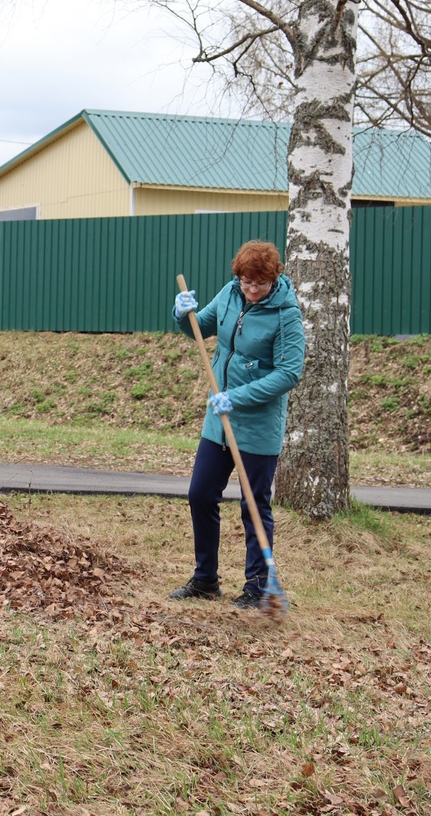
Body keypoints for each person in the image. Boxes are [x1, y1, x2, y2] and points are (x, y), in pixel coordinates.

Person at [168, 240, 305, 609]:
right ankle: (205, 580)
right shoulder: (230, 294)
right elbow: (200, 327)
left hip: (258, 424)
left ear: (274, 278)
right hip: (219, 420)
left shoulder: (286, 314)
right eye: (246, 282)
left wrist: (238, 397)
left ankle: (258, 587)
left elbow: (289, 373)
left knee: (253, 505)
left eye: (258, 284)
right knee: (200, 494)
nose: (251, 290)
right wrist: (183, 314)